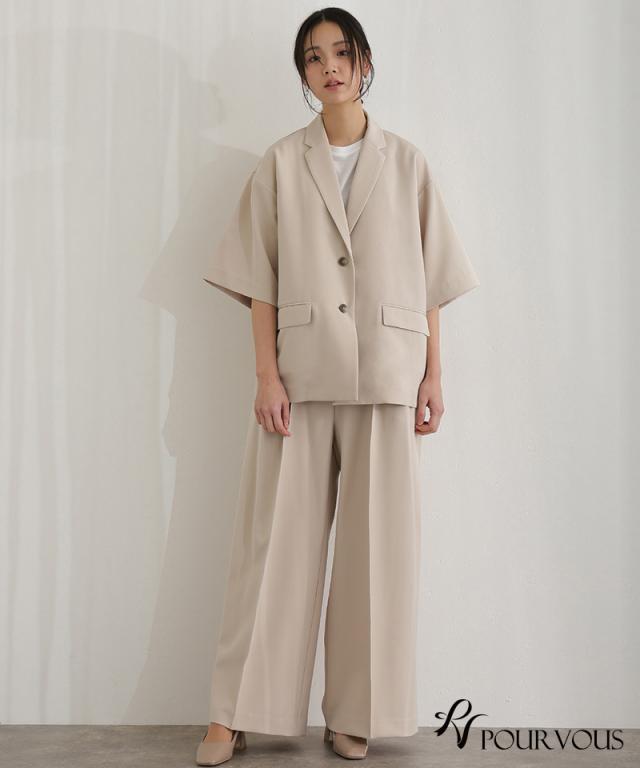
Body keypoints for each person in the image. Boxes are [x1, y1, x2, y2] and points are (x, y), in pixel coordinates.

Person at [196, 7, 479, 766]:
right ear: (303, 74)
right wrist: (266, 375)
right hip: (301, 374)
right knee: (272, 550)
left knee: (375, 554)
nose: (329, 67)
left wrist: (434, 374)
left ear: (364, 63)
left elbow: (431, 279)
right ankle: (234, 712)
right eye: (314, 57)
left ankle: (356, 711)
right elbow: (259, 279)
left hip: (388, 371)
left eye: (341, 53)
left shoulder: (407, 163)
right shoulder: (280, 163)